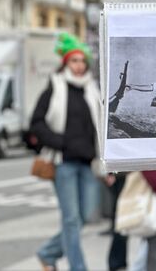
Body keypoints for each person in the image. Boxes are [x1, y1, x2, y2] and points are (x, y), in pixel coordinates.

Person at [32, 33, 102, 271]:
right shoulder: (55, 86)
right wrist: (60, 141)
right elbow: (37, 122)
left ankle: (47, 253)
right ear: (65, 63)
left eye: (83, 61)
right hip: (64, 163)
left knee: (82, 218)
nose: (79, 65)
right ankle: (78, 267)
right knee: (71, 219)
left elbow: (99, 126)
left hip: (87, 163)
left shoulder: (91, 89)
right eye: (74, 61)